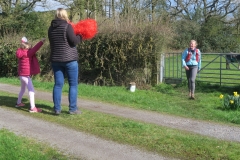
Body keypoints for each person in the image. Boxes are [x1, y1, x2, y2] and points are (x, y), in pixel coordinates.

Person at [48, 8, 82, 115]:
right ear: (64, 15)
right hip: (69, 59)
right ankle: (73, 109)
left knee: (58, 85)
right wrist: (80, 36)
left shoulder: (50, 29)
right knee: (73, 84)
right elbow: (74, 41)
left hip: (56, 60)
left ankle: (57, 109)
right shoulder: (67, 26)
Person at [16, 37, 46, 112]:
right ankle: (33, 108)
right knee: (31, 91)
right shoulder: (28, 53)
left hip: (21, 75)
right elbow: (35, 48)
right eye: (28, 46)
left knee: (22, 89)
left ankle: (18, 103)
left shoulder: (20, 52)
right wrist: (41, 42)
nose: (30, 47)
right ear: (25, 46)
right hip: (26, 75)